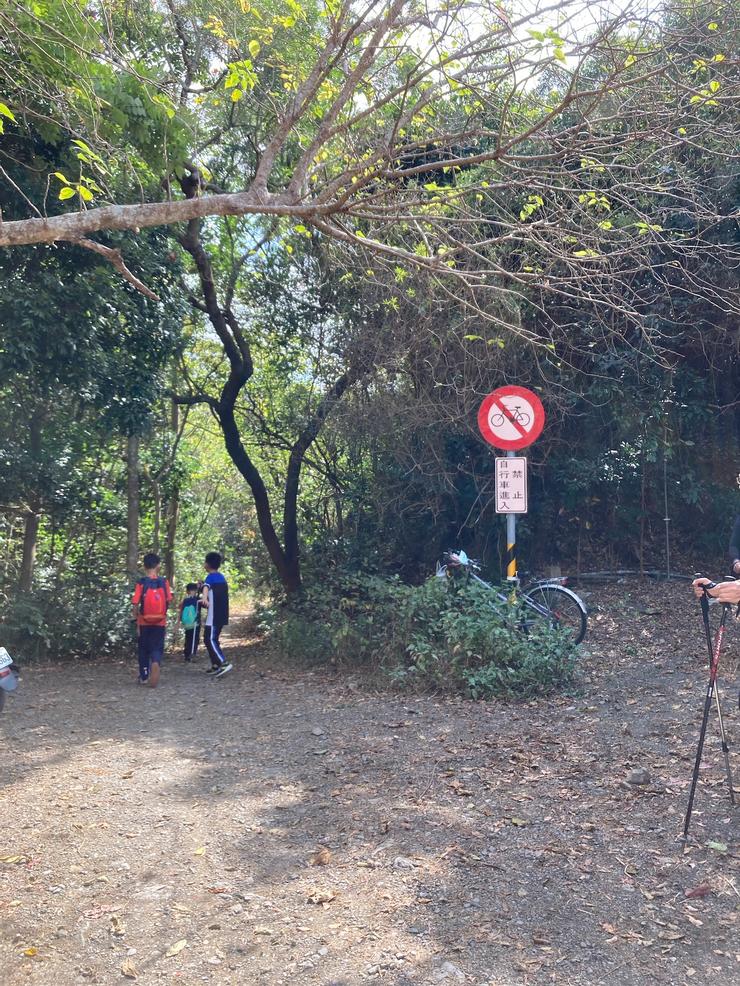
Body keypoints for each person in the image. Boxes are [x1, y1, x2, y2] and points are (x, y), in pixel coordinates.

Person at [131, 552, 172, 687]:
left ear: (144, 566)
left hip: (144, 622)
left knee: (143, 649)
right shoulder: (164, 582)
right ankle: (155, 661)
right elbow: (168, 600)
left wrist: (135, 618)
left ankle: (144, 676)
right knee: (157, 647)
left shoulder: (141, 583)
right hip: (160, 622)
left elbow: (136, 602)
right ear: (158, 565)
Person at [201, 551, 232, 678]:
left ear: (207, 564)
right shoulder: (221, 577)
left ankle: (223, 662)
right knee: (210, 639)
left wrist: (204, 598)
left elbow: (206, 587)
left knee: (210, 639)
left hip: (213, 615)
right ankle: (216, 664)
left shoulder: (210, 577)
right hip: (222, 613)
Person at [179, 582, 201, 662]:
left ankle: (187, 655)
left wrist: (179, 621)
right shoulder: (198, 599)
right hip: (196, 623)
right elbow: (206, 604)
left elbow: (181, 610)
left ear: (187, 591)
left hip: (187, 623)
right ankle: (192, 654)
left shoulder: (185, 600)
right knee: (194, 639)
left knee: (188, 638)